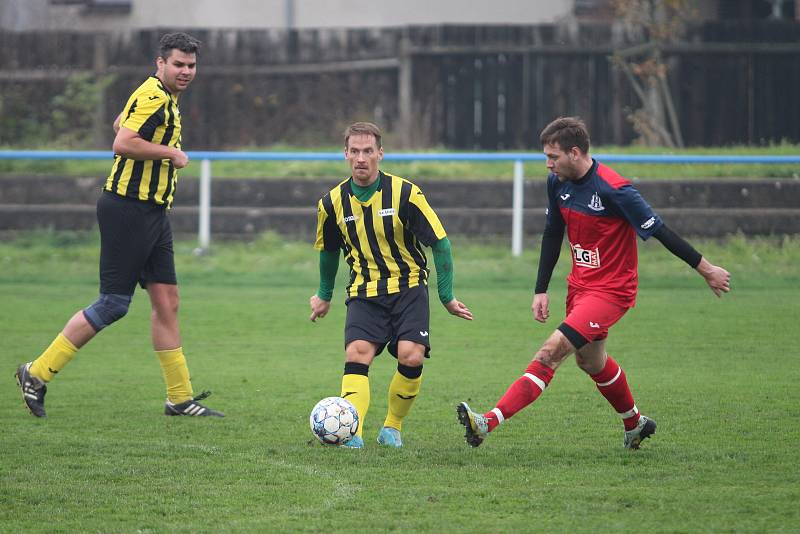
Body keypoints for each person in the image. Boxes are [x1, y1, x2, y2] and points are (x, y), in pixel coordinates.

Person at [457, 116, 730, 449]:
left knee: (549, 353)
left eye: (553, 157)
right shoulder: (557, 183)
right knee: (590, 361)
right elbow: (553, 232)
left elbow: (660, 231)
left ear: (575, 153)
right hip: (580, 288)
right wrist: (541, 288)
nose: (548, 164)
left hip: (611, 292)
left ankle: (487, 422)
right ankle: (635, 423)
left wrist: (706, 269)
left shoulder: (615, 189)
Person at [15, 32, 223, 418]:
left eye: (191, 65)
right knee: (113, 303)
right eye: (178, 64)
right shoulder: (153, 96)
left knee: (167, 302)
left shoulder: (159, 96)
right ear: (160, 64)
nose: (186, 71)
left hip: (153, 213)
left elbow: (119, 123)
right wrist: (171, 152)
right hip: (128, 209)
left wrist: (155, 146)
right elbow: (122, 141)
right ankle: (37, 372)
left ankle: (179, 398)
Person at [309, 121, 473, 448]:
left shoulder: (406, 194)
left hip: (408, 286)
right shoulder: (331, 204)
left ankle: (392, 427)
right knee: (357, 353)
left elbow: (441, 244)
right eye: (354, 151)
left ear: (380, 154)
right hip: (364, 291)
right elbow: (327, 253)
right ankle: (350, 432)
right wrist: (324, 295)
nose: (361, 158)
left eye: (367, 151)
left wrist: (447, 296)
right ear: (345, 154)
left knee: (411, 356)